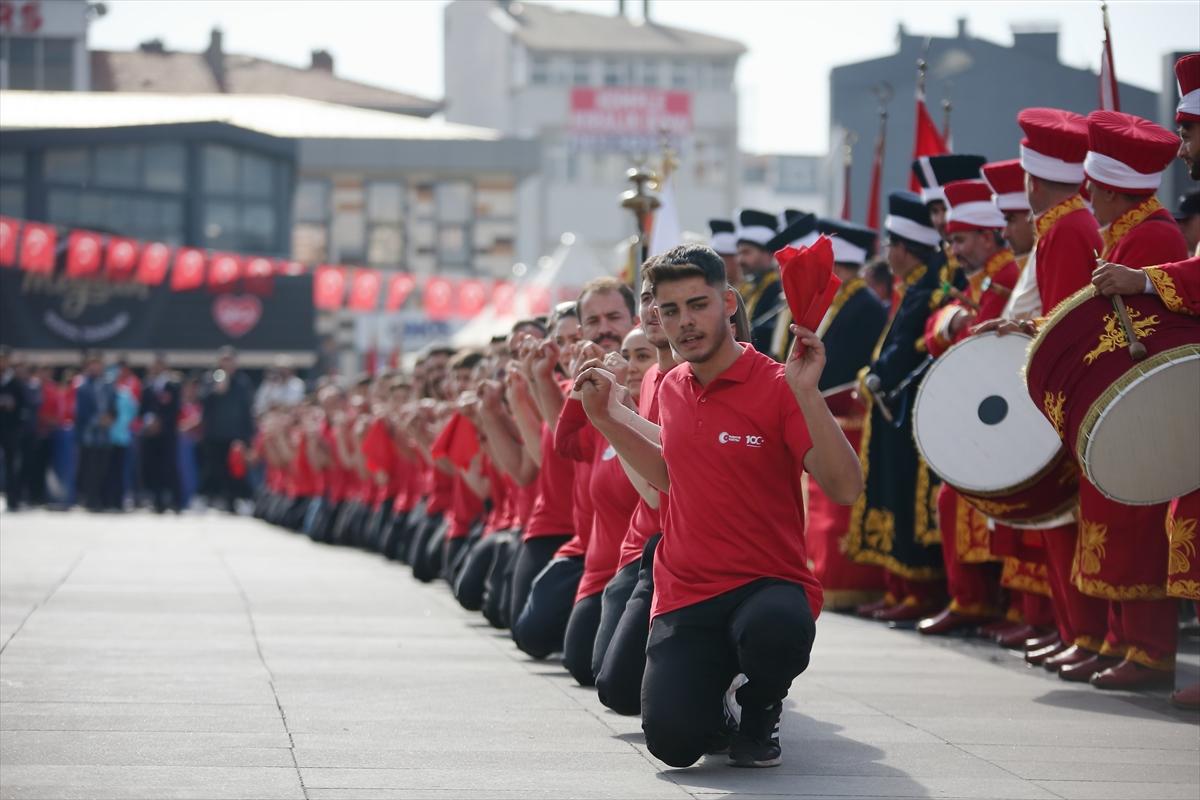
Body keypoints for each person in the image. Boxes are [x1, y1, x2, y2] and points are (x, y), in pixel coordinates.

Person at [574, 243, 861, 769]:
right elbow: (670, 475)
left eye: (697, 304)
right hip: (686, 593)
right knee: (673, 745)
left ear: (728, 302)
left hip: (765, 583)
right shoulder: (673, 387)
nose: (685, 321)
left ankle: (760, 705)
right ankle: (717, 700)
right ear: (656, 316)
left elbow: (845, 488)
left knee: (777, 627)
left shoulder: (778, 384)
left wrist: (807, 393)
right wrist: (606, 418)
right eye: (670, 310)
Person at [1056, 109, 1190, 691]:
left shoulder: (1155, 234)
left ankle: (1151, 648)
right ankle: (1120, 640)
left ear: (1110, 189)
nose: (1088, 201)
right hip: (1121, 402)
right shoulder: (1127, 232)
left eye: (1093, 191)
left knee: (1136, 526)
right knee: (1114, 518)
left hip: (1148, 407)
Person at [916, 179, 1021, 636]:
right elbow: (935, 335)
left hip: (1003, 412)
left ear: (985, 235)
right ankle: (974, 599)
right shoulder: (982, 280)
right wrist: (949, 321)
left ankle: (988, 603)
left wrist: (950, 324)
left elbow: (972, 342)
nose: (953, 250)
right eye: (951, 240)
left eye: (959, 240)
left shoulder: (1006, 278)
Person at [845, 192, 946, 622]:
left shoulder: (928, 288)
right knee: (891, 492)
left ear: (905, 248)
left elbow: (906, 349)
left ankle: (917, 591)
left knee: (906, 496)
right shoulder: (912, 287)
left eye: (891, 246)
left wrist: (878, 373)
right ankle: (899, 588)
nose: (887, 254)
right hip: (890, 411)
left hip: (909, 410)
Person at [793, 219, 888, 612]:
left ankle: (842, 580)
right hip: (824, 410)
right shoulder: (845, 299)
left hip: (847, 417)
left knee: (836, 509)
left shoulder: (863, 303)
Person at [200, 347, 255, 512]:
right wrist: (215, 391)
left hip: (235, 434)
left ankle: (235, 500)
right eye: (224, 360)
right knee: (215, 468)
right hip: (215, 434)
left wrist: (247, 436)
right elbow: (203, 402)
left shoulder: (242, 382)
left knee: (235, 469)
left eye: (230, 360)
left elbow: (247, 410)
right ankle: (215, 498)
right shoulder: (211, 378)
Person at [734, 208, 782, 355]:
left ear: (768, 253)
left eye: (747, 252)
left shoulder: (777, 289)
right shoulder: (750, 287)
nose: (740, 260)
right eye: (739, 253)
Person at [140, 354, 183, 513]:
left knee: (169, 466)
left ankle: (176, 500)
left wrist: (161, 423)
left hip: (167, 433)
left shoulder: (173, 385)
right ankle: (157, 501)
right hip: (151, 434)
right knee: (154, 467)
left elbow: (175, 409)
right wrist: (149, 421)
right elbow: (143, 408)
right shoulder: (148, 386)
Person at [74, 352, 115, 512]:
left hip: (104, 434)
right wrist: (98, 420)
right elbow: (81, 412)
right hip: (89, 435)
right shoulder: (83, 386)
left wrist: (111, 418)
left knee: (103, 467)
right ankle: (90, 499)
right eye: (92, 364)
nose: (95, 367)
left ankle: (102, 498)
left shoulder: (108, 385)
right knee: (89, 469)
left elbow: (113, 406)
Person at [0, 347, 27, 511]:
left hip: (10, 429)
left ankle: (13, 499)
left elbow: (23, 406)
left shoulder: (15, 382)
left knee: (12, 464)